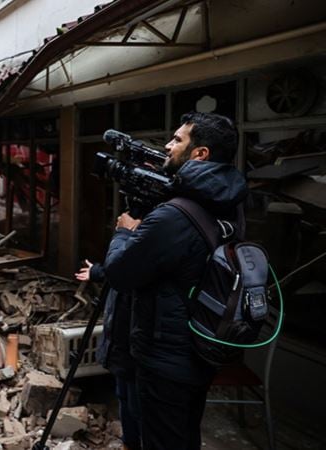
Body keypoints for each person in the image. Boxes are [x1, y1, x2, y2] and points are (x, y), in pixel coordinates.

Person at [103, 112, 246, 450]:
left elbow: (119, 273)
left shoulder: (174, 214)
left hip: (164, 356)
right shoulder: (230, 200)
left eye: (178, 140)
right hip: (200, 344)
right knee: (183, 436)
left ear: (200, 154)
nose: (168, 145)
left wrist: (125, 233)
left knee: (161, 439)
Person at [76, 260, 141, 450]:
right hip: (122, 332)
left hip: (135, 331)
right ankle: (130, 443)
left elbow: (130, 267)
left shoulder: (147, 236)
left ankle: (136, 442)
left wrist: (102, 271)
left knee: (136, 400)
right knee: (124, 393)